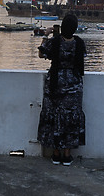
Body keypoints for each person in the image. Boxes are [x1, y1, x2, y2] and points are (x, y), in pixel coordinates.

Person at [36, 13, 86, 166]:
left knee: (54, 117)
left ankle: (56, 154)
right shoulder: (79, 43)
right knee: (70, 119)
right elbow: (82, 58)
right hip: (74, 84)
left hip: (55, 83)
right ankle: (67, 155)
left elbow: (40, 53)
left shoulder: (54, 42)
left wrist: (46, 34)